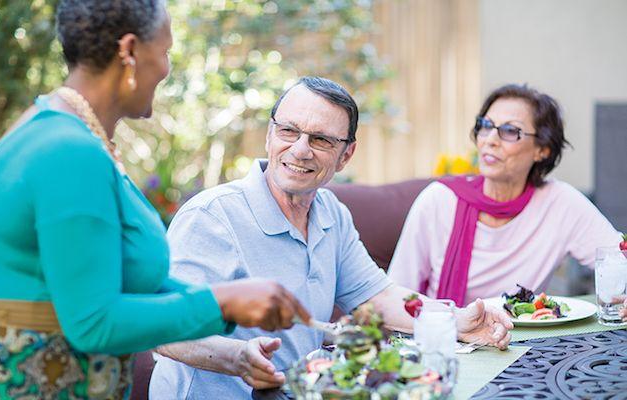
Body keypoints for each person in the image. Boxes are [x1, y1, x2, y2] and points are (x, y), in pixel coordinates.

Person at [0, 1, 309, 399]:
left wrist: (231, 316)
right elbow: (94, 323)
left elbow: (133, 282)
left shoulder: (64, 132)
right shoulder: (68, 153)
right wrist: (221, 302)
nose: (167, 68)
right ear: (130, 51)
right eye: (165, 51)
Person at [149, 76, 514, 399]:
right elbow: (165, 330)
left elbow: (377, 297)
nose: (300, 149)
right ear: (269, 135)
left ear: (345, 156)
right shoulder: (211, 217)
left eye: (321, 139)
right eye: (288, 131)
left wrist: (454, 321)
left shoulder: (330, 213)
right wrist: (237, 357)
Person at [388, 84, 623, 308]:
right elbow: (397, 294)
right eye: (486, 125)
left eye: (510, 131)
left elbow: (618, 258)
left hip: (525, 345)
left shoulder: (560, 202)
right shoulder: (438, 201)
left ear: (542, 149)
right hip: (446, 339)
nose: (490, 139)